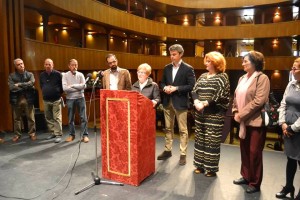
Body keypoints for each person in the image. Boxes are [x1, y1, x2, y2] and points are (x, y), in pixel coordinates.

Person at [232, 51, 270, 193]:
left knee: (254, 152)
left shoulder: (262, 78)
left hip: (255, 121)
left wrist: (241, 115)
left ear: (255, 63)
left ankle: (254, 182)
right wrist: (236, 111)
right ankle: (246, 176)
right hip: (242, 120)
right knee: (244, 151)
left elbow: (259, 101)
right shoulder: (242, 78)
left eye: (245, 61)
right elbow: (235, 97)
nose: (243, 63)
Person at [191, 51, 230, 177]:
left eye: (208, 61)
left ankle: (211, 168)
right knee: (200, 139)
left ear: (216, 63)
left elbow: (220, 95)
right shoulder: (202, 76)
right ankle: (199, 165)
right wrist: (196, 101)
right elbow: (194, 91)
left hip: (214, 114)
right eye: (206, 61)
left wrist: (204, 104)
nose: (206, 64)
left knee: (211, 140)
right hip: (200, 113)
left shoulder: (222, 77)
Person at [157, 44, 196, 165]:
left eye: (174, 54)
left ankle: (183, 154)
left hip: (180, 103)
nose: (171, 57)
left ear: (181, 54)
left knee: (182, 130)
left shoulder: (188, 68)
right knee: (168, 128)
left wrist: (176, 88)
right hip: (167, 102)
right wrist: (165, 88)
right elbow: (162, 82)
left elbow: (191, 86)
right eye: (170, 54)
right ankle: (168, 150)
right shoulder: (167, 68)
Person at [275, 57, 300, 200]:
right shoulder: (291, 84)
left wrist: (293, 128)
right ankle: (289, 186)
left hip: (297, 129)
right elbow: (283, 104)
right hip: (288, 128)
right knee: (290, 159)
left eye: (295, 68)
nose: (292, 70)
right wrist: (283, 123)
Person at [8, 58, 37, 142]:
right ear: (15, 66)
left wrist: (19, 84)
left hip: (28, 98)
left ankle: (32, 133)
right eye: (18, 64)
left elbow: (32, 83)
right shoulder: (12, 76)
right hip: (16, 99)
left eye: (22, 63)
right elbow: (11, 87)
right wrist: (26, 86)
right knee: (17, 118)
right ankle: (17, 134)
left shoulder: (30, 74)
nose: (21, 65)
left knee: (30, 117)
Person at [62, 59, 89, 143]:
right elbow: (65, 88)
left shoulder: (80, 75)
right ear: (69, 66)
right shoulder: (65, 76)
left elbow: (84, 86)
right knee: (70, 118)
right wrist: (78, 88)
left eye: (76, 65)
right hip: (70, 99)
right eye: (73, 65)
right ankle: (71, 135)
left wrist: (73, 85)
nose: (75, 67)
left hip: (81, 98)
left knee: (83, 117)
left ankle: (85, 135)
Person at [40, 58, 63, 143]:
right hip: (46, 99)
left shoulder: (58, 74)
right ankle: (52, 133)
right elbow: (41, 85)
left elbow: (61, 87)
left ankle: (58, 134)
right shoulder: (42, 75)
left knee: (57, 117)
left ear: (52, 65)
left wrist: (57, 93)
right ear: (44, 65)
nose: (48, 66)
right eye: (46, 64)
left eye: (49, 64)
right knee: (48, 117)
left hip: (56, 99)